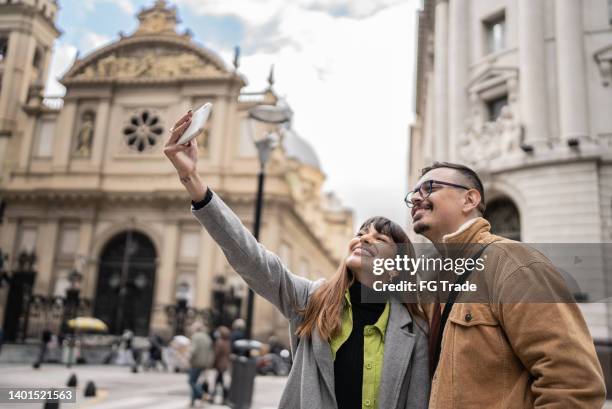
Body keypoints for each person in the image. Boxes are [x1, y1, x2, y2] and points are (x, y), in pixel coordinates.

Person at [165, 111, 430, 409]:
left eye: (379, 239)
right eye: (360, 233)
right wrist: (191, 178)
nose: (364, 239)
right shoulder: (311, 300)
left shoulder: (414, 330)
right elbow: (251, 257)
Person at [406, 161, 606, 408]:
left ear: (469, 200)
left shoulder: (514, 263)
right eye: (413, 194)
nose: (416, 198)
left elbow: (574, 386)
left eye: (429, 188)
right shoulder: (432, 280)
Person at [188, 321, 213, 407]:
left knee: (191, 381)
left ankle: (202, 395)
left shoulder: (195, 336)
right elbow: (210, 351)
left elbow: (193, 350)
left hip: (196, 363)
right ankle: (192, 402)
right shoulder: (207, 337)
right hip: (205, 363)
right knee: (196, 382)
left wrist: (188, 359)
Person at [210, 326, 231, 403]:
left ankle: (215, 397)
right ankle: (224, 398)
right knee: (220, 381)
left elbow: (216, 354)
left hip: (219, 364)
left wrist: (212, 363)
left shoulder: (219, 342)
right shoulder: (227, 342)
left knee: (219, 381)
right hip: (225, 364)